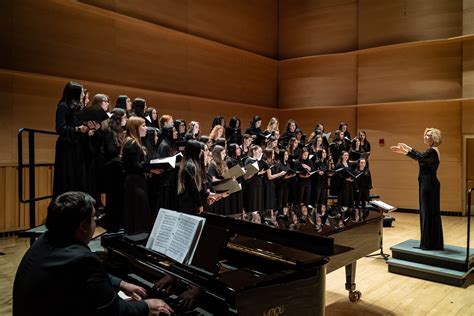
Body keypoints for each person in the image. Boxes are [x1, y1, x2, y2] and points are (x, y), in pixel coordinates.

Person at [13, 191, 172, 316]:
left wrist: (121, 284)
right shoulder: (82, 259)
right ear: (83, 226)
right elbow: (114, 312)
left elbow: (83, 276)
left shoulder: (45, 240)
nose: (96, 222)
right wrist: (146, 306)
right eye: (94, 218)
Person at [391, 128, 444, 250]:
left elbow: (420, 156)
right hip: (427, 184)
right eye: (425, 134)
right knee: (426, 213)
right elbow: (420, 156)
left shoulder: (432, 151)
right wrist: (406, 149)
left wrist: (406, 150)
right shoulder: (430, 151)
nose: (425, 136)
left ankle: (429, 244)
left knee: (428, 213)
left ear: (434, 138)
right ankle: (428, 243)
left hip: (429, 185)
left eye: (429, 135)